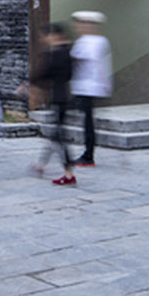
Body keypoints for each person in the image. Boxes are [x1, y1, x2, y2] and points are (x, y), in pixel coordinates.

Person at [29, 23, 77, 185]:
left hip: (58, 98)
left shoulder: (55, 54)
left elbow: (42, 73)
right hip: (64, 96)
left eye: (46, 36)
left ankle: (69, 173)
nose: (44, 40)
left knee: (57, 137)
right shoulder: (67, 53)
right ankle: (41, 164)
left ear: (55, 36)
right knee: (54, 133)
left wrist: (31, 85)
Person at [70, 10, 112, 168]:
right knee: (86, 121)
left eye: (82, 23)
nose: (80, 26)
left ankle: (88, 155)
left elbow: (79, 59)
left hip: (89, 86)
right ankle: (87, 153)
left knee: (88, 122)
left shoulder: (94, 41)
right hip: (84, 86)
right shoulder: (88, 41)